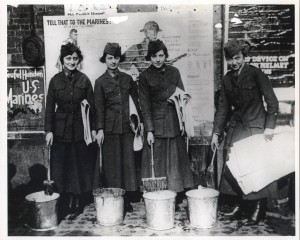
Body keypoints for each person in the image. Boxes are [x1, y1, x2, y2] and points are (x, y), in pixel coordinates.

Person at [211, 39, 279, 226]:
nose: (234, 63)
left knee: (255, 168)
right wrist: (216, 132)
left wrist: (269, 127)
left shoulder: (255, 74)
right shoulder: (226, 79)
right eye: (230, 59)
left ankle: (258, 207)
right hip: (237, 127)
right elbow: (223, 109)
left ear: (244, 57)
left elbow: (272, 102)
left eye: (237, 58)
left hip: (256, 127)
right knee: (235, 166)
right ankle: (241, 204)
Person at [139, 40, 194, 210]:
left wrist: (185, 121)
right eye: (154, 56)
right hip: (157, 126)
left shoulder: (174, 72)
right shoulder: (144, 77)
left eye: (161, 55)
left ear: (165, 55)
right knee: (159, 161)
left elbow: (183, 97)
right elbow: (145, 106)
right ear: (150, 57)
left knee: (174, 161)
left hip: (175, 123)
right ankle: (159, 196)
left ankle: (175, 194)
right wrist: (149, 129)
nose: (157, 59)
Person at [45, 43, 97, 219]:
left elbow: (93, 107)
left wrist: (94, 129)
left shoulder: (84, 80)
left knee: (78, 166)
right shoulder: (55, 80)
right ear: (62, 60)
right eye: (68, 58)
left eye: (75, 58)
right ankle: (63, 199)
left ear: (79, 60)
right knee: (61, 167)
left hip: (80, 130)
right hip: (60, 131)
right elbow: (49, 107)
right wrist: (49, 131)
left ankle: (77, 199)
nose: (72, 62)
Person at [94, 43, 141, 212]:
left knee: (127, 163)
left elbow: (135, 103)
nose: (113, 61)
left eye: (116, 58)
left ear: (120, 59)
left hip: (127, 128)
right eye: (110, 58)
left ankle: (126, 197)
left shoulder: (127, 79)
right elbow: (98, 108)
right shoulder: (100, 82)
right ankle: (115, 197)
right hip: (109, 129)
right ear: (105, 59)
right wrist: (99, 129)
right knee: (113, 165)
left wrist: (138, 122)